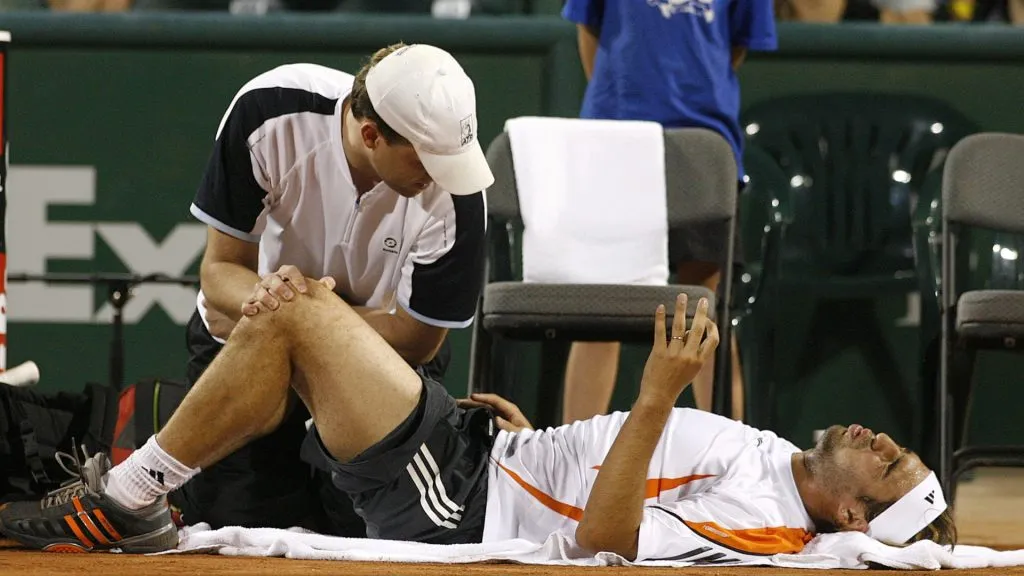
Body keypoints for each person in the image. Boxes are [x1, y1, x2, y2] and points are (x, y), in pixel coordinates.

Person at [0, 286, 955, 560]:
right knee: (295, 317)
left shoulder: (766, 524)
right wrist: (539, 440)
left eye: (888, 464)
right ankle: (135, 485)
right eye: (891, 441)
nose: (878, 438)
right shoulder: (782, 459)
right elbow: (615, 480)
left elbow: (603, 549)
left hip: (457, 500)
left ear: (857, 522)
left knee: (296, 311)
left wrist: (661, 389)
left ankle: (129, 495)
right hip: (487, 457)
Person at [173, 42, 491, 534]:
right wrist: (284, 315)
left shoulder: (460, 193)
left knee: (364, 539)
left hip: (381, 366)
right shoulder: (269, 111)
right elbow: (219, 274)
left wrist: (304, 316)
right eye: (427, 160)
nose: (439, 179)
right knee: (236, 534)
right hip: (242, 346)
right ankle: (130, 491)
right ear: (371, 134)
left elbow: (416, 338)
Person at [559, 0, 779, 426]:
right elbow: (588, 26)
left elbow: (736, 45)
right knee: (599, 302)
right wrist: (619, 110)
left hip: (703, 143)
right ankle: (572, 460)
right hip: (615, 136)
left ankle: (729, 462)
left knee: (705, 306)